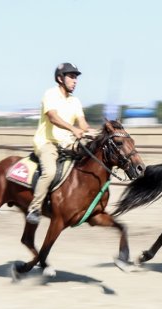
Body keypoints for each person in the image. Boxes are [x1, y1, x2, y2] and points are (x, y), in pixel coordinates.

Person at [26, 62, 93, 225]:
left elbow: (83, 125)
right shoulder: (50, 94)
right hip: (47, 143)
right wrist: (73, 129)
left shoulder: (75, 101)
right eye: (71, 76)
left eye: (76, 77)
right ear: (60, 78)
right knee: (49, 172)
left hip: (67, 143)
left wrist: (97, 133)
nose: (75, 80)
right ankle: (34, 208)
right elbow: (53, 117)